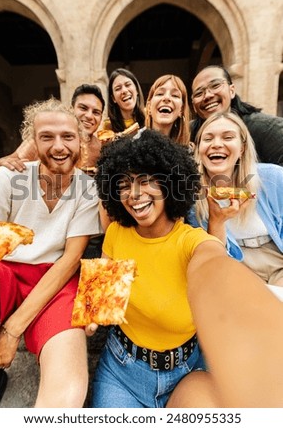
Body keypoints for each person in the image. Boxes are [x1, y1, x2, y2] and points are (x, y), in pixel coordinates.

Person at [86, 129, 283, 408]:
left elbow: (214, 266)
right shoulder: (117, 231)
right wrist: (90, 317)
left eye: (146, 181)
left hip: (186, 375)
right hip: (121, 372)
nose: (134, 194)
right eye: (124, 184)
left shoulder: (191, 242)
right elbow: (100, 301)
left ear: (169, 183)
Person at [0, 98, 102, 408]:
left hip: (56, 282)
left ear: (81, 142)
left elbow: (70, 260)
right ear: (33, 142)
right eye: (46, 136)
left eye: (68, 137)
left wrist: (11, 331)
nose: (58, 146)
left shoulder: (86, 189)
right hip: (3, 274)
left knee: (69, 392)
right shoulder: (7, 177)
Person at [191, 111, 283, 286]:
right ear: (199, 149)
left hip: (277, 257)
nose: (217, 144)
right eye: (208, 138)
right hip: (234, 264)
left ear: (242, 148)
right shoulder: (192, 197)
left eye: (227, 137)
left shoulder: (273, 177)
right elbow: (214, 262)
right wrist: (217, 221)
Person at [0, 83, 105, 174]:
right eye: (83, 108)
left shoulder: (100, 148)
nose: (89, 116)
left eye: (96, 112)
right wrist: (4, 165)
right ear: (71, 109)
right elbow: (12, 159)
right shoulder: (43, 140)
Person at [190, 65, 283, 166]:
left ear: (232, 91)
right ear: (193, 105)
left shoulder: (267, 128)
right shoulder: (188, 133)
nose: (207, 95)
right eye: (199, 93)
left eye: (215, 86)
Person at [145, 74, 191, 145]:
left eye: (175, 95)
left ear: (181, 109)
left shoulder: (189, 152)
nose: (166, 98)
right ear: (149, 107)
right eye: (160, 94)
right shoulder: (132, 146)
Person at [103, 68, 145, 133]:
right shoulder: (108, 126)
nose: (124, 91)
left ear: (136, 90)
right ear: (113, 98)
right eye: (118, 88)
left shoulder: (149, 117)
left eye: (128, 85)